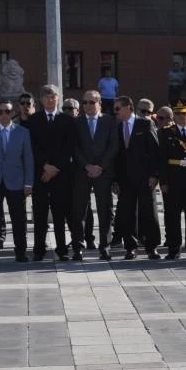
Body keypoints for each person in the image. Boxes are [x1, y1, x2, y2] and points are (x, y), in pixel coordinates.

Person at [27, 84, 77, 261]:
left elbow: (69, 147)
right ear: (41, 99)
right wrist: (45, 166)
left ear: (58, 98)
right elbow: (32, 147)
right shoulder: (33, 121)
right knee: (40, 213)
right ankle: (39, 249)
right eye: (46, 96)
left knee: (59, 213)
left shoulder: (68, 120)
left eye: (53, 96)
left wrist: (55, 168)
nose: (50, 99)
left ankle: (62, 249)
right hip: (41, 174)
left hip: (60, 174)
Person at [112, 96, 161, 259]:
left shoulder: (145, 124)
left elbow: (155, 150)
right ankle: (130, 247)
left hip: (145, 177)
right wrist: (115, 180)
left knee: (149, 211)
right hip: (125, 179)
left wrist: (154, 174)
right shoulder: (117, 127)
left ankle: (152, 246)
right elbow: (116, 156)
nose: (115, 111)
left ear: (129, 108)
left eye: (118, 108)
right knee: (128, 213)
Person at [72, 91, 118, 260]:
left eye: (91, 102)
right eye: (84, 102)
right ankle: (78, 247)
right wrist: (86, 166)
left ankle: (104, 246)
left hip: (103, 172)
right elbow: (74, 147)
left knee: (104, 210)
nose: (88, 105)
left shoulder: (109, 121)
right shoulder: (76, 122)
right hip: (82, 172)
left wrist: (100, 166)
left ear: (99, 104)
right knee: (79, 211)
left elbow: (113, 146)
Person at [158, 100, 186, 260]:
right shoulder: (165, 133)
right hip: (172, 180)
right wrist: (163, 182)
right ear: (173, 116)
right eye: (177, 113)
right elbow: (161, 159)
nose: (181, 116)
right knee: (172, 216)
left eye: (184, 113)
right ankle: (174, 249)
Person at [0, 100, 33, 262]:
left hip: (17, 182)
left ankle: (20, 251)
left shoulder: (22, 132)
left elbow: (28, 160)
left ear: (13, 113)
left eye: (7, 111)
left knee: (18, 219)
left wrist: (28, 183)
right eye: (0, 112)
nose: (4, 115)